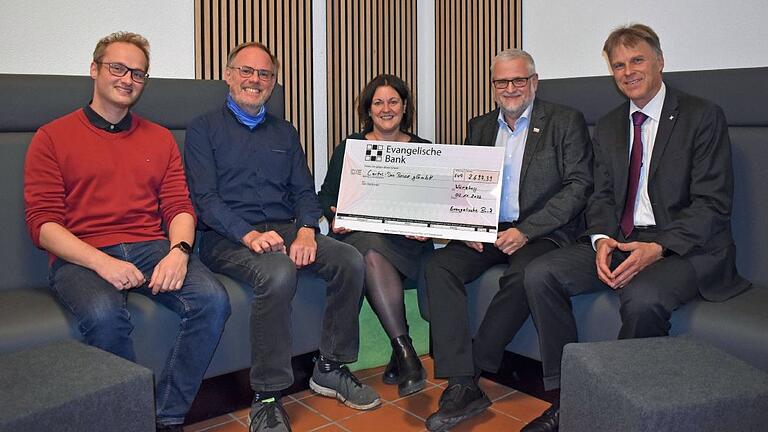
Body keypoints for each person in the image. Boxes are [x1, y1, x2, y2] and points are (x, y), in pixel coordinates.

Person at [521, 24, 751, 432]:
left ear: (660, 62)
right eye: (618, 65)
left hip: (687, 248)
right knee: (541, 273)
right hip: (624, 239)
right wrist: (602, 240)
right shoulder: (610, 126)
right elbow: (602, 196)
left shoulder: (702, 116)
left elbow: (713, 205)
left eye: (637, 60)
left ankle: (619, 415)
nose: (628, 71)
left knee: (642, 299)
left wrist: (657, 248)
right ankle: (567, 400)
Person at [23, 32, 230, 432]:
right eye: (118, 68)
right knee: (104, 315)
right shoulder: (51, 136)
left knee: (212, 300)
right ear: (95, 69)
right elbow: (44, 225)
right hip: (81, 254)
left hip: (152, 247)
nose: (127, 78)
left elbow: (179, 207)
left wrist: (180, 251)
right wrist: (103, 263)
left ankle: (166, 416)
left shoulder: (160, 138)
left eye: (138, 72)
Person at [183, 41, 380, 432]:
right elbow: (204, 200)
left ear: (273, 83)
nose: (255, 80)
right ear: (228, 75)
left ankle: (329, 366)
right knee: (277, 272)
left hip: (286, 228)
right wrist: (248, 235)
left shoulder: (286, 133)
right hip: (226, 238)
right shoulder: (203, 130)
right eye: (246, 71)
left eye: (265, 74)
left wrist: (308, 230)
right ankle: (267, 396)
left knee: (348, 259)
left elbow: (304, 192)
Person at [424, 48, 593, 431]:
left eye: (519, 79)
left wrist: (527, 231)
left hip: (542, 232)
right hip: (488, 231)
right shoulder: (479, 127)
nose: (511, 88)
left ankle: (476, 366)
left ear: (534, 82)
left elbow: (579, 186)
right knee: (438, 266)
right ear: (493, 85)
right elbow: (465, 186)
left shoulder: (565, 122)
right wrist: (465, 226)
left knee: (524, 274)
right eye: (503, 81)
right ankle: (462, 381)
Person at [318, 74, 432, 397]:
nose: (386, 108)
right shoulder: (351, 149)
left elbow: (434, 204)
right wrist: (335, 216)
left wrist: (425, 227)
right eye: (378, 102)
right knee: (367, 252)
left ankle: (400, 355)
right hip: (361, 236)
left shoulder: (423, 150)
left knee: (371, 254)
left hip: (407, 244)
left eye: (393, 101)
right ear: (369, 109)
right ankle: (407, 353)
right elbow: (325, 198)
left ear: (404, 106)